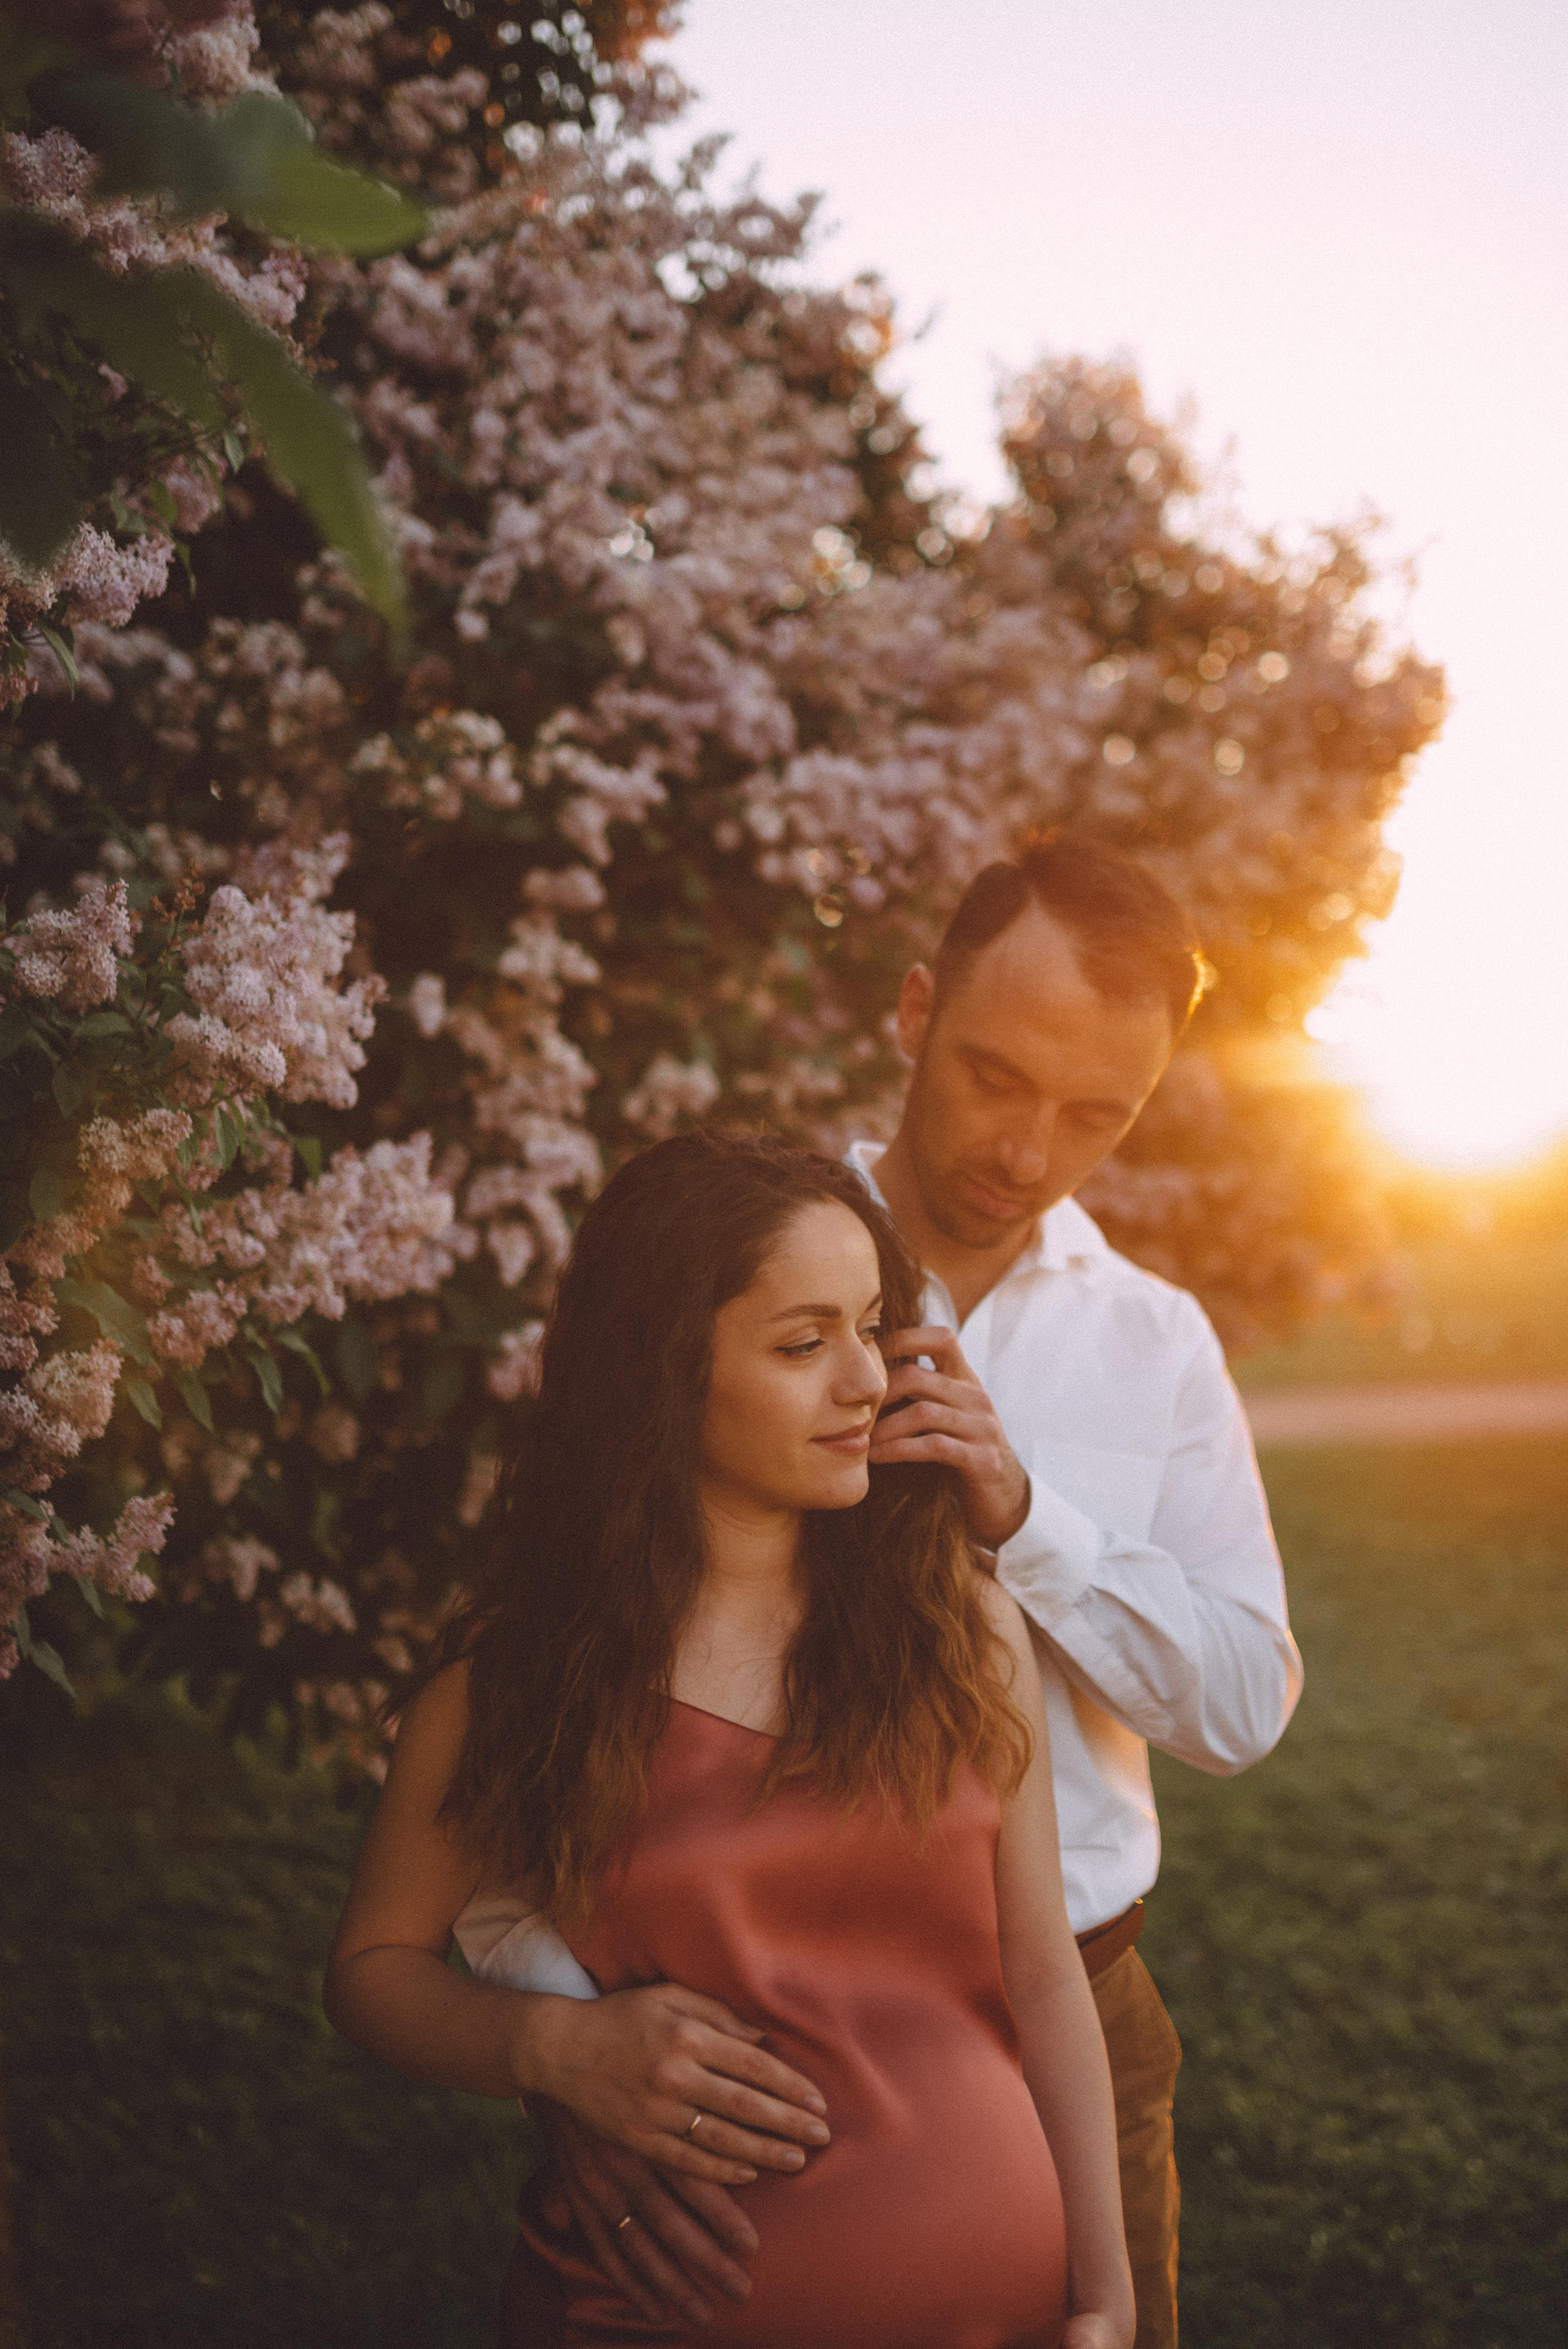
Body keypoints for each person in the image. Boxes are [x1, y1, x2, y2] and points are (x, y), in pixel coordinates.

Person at [487, 834, 1303, 2349]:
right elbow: (552, 1669)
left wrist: (1027, 1520)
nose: (1028, 1152)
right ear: (915, 1011)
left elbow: (1244, 1705)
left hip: (1080, 2007)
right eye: (995, 1077)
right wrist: (573, 2049)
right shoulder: (730, 1259)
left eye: (1094, 1115)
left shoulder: (1155, 1344)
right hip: (733, 2023)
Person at [325, 1132, 1136, 2349]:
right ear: (662, 1372)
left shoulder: (958, 1623)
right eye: (803, 1345)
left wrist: (1107, 2295)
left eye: (873, 1328)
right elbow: (371, 1967)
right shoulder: (519, 1682)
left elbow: (1041, 1971)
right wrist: (551, 2047)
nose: (865, 1380)